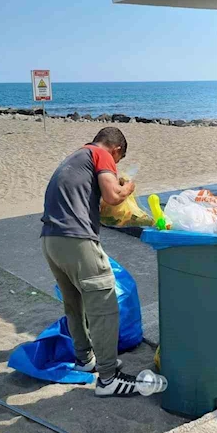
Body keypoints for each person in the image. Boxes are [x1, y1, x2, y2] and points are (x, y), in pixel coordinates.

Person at [41, 127, 140, 397]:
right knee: (104, 302)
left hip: (51, 239)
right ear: (116, 150)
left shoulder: (76, 157)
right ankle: (109, 377)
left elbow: (90, 203)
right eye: (117, 162)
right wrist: (127, 187)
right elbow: (112, 196)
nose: (114, 166)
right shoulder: (101, 154)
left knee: (75, 302)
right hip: (75, 239)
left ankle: (85, 360)